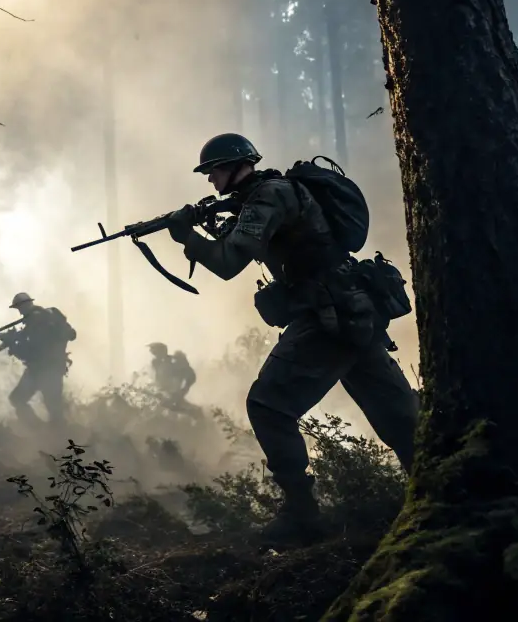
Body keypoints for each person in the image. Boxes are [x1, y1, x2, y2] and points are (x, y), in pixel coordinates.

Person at [135, 133, 417, 544]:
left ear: (236, 166)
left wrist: (187, 237)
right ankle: (440, 488)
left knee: (268, 406)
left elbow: (228, 262)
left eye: (214, 171)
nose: (211, 180)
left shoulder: (268, 196)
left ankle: (302, 516)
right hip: (351, 312)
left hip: (329, 316)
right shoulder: (264, 196)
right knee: (399, 416)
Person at [0, 292, 76, 427]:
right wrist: (11, 339)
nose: (20, 312)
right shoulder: (46, 316)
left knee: (49, 409)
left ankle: (42, 431)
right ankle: (44, 431)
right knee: (21, 399)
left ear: (26, 305)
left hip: (43, 371)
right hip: (49, 369)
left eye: (20, 308)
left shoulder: (37, 322)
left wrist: (12, 345)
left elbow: (30, 352)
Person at [148, 342, 203, 419]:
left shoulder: (174, 362)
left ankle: (197, 414)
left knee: (173, 407)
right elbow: (154, 378)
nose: (152, 353)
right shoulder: (156, 362)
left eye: (154, 351)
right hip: (162, 391)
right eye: (152, 352)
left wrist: (184, 389)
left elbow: (190, 375)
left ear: (161, 352)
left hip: (173, 391)